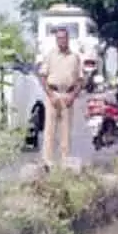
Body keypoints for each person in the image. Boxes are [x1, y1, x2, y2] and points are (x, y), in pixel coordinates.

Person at [36, 26, 82, 168]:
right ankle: (47, 162)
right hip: (53, 95)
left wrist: (73, 96)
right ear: (56, 40)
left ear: (68, 39)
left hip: (68, 95)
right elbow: (42, 76)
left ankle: (65, 161)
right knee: (49, 130)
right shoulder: (50, 56)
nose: (62, 40)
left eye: (64, 38)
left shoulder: (75, 57)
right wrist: (50, 95)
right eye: (59, 38)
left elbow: (80, 80)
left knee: (66, 132)